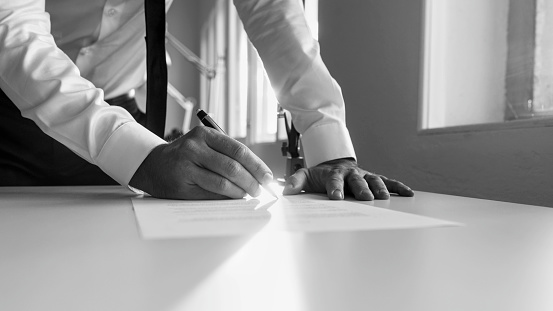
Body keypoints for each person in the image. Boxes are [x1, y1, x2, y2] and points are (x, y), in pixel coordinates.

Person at [0, 0, 414, 200]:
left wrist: (328, 146)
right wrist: (136, 154)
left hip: (121, 112)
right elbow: (12, 30)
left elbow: (270, 10)